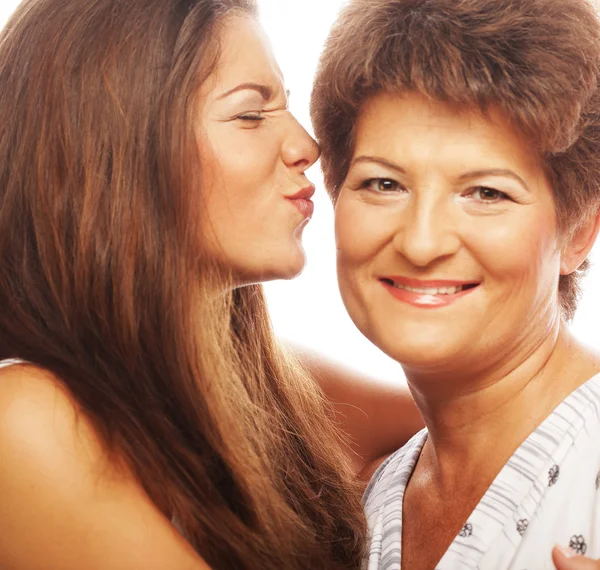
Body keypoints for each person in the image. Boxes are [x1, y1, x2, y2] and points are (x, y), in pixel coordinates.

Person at [0, 1, 424, 568]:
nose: (307, 146)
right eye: (251, 114)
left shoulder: (262, 385)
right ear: (116, 147)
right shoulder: (25, 419)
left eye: (288, 106)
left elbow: (480, 423)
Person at [311, 0, 600, 568]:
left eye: (486, 193)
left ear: (578, 233)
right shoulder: (369, 507)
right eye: (384, 183)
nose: (421, 243)